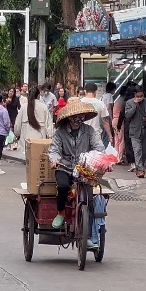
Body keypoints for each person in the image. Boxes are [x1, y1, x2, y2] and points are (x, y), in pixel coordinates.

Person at [45, 97, 105, 235]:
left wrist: (103, 161)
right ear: (70, 117)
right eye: (76, 116)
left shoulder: (89, 131)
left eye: (81, 116)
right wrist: (54, 160)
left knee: (89, 200)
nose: (79, 118)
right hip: (64, 167)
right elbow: (54, 150)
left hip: (84, 169)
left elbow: (99, 148)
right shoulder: (60, 132)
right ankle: (60, 213)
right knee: (63, 187)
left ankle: (89, 235)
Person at [123, 86, 146, 178]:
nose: (139, 98)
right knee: (137, 150)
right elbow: (127, 116)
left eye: (141, 96)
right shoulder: (129, 103)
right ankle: (140, 170)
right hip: (135, 131)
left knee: (144, 152)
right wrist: (135, 105)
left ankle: (140, 167)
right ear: (134, 95)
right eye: (138, 96)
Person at [14, 85, 53, 155]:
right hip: (40, 142)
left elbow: (17, 125)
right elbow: (49, 125)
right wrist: (49, 137)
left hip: (26, 141)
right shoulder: (44, 107)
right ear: (38, 96)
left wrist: (17, 134)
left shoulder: (23, 108)